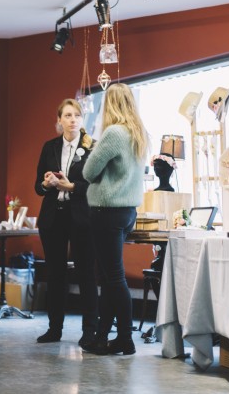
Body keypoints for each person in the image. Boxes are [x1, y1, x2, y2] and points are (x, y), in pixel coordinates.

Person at [82, 83, 147, 355]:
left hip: (106, 211)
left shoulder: (113, 133)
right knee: (110, 277)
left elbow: (88, 171)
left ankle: (125, 338)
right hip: (127, 212)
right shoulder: (139, 134)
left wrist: (92, 148)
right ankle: (102, 337)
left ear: (110, 104)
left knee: (113, 277)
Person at [34, 99, 98, 346]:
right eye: (67, 115)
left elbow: (95, 186)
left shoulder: (92, 147)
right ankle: (54, 329)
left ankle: (89, 330)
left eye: (77, 116)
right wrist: (46, 183)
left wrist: (71, 186)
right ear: (59, 120)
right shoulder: (49, 147)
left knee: (86, 273)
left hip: (82, 216)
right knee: (55, 274)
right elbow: (37, 186)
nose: (72, 120)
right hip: (53, 216)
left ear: (82, 121)